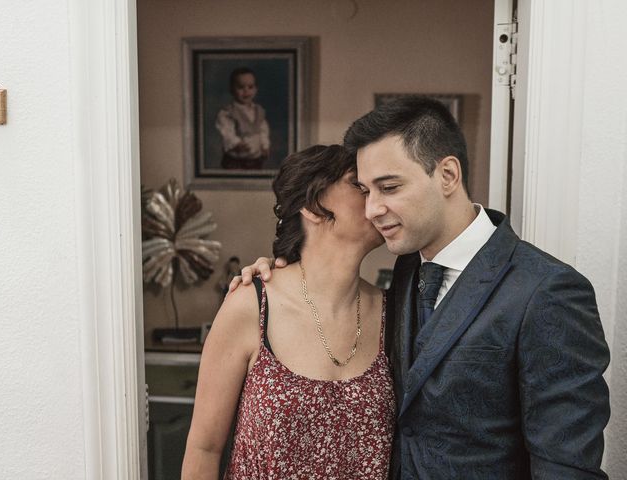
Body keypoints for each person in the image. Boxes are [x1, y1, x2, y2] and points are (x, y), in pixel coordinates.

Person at [234, 96, 611, 479]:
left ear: (447, 175)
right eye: (365, 191)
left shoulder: (547, 290)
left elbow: (566, 469)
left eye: (390, 187)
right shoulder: (406, 273)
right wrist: (276, 270)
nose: (372, 209)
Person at [181, 145, 396, 480]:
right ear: (313, 205)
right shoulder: (250, 305)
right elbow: (204, 449)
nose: (377, 200)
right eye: (359, 185)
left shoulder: (392, 312)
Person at [215, 67, 270, 170]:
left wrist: (265, 145)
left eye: (250, 87)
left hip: (255, 159)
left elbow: (263, 130)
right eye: (241, 87)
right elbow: (226, 131)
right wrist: (237, 143)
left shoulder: (258, 111)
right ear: (232, 89)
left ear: (256, 89)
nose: (246, 91)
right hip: (235, 160)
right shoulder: (228, 112)